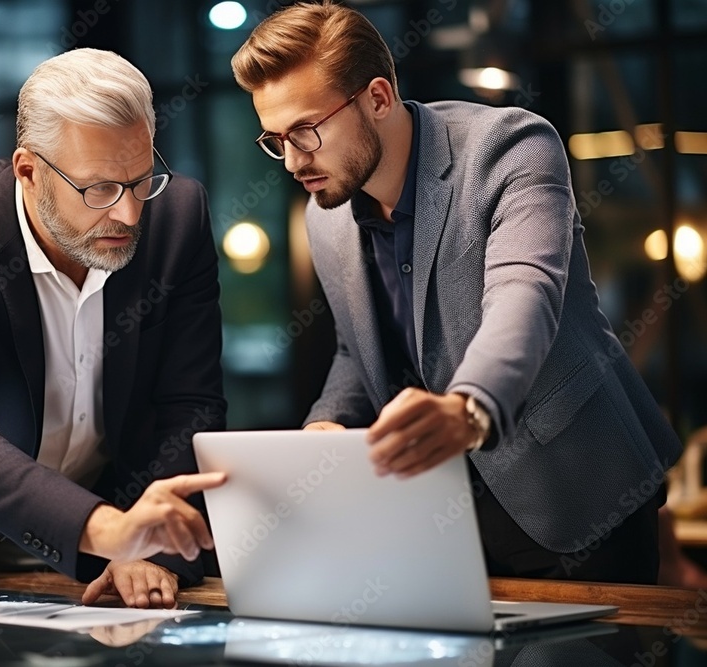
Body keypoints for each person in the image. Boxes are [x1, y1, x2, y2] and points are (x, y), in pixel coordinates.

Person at [231, 2, 681, 584]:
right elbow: (356, 347)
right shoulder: (327, 211)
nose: (292, 161)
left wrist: (469, 408)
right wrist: (328, 425)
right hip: (446, 524)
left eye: (306, 130)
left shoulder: (511, 147)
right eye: (275, 139)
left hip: (580, 491)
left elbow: (527, 294)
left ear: (377, 98)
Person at [0, 48, 227, 608]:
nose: (127, 215)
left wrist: (147, 548)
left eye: (141, 180)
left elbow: (190, 405)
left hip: (106, 563)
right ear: (28, 170)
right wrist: (106, 529)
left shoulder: (178, 219)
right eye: (98, 189)